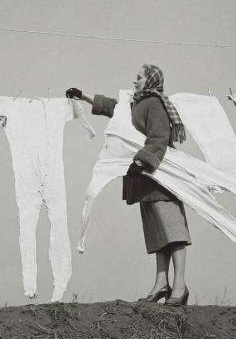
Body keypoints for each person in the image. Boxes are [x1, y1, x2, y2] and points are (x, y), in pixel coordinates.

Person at [66, 64, 191, 306]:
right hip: (144, 178)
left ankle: (180, 286)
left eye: (139, 78)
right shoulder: (135, 104)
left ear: (150, 81)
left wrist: (141, 160)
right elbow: (112, 107)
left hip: (161, 177)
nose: (135, 82)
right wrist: (83, 95)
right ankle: (161, 284)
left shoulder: (155, 104)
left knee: (173, 232)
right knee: (158, 233)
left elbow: (159, 137)